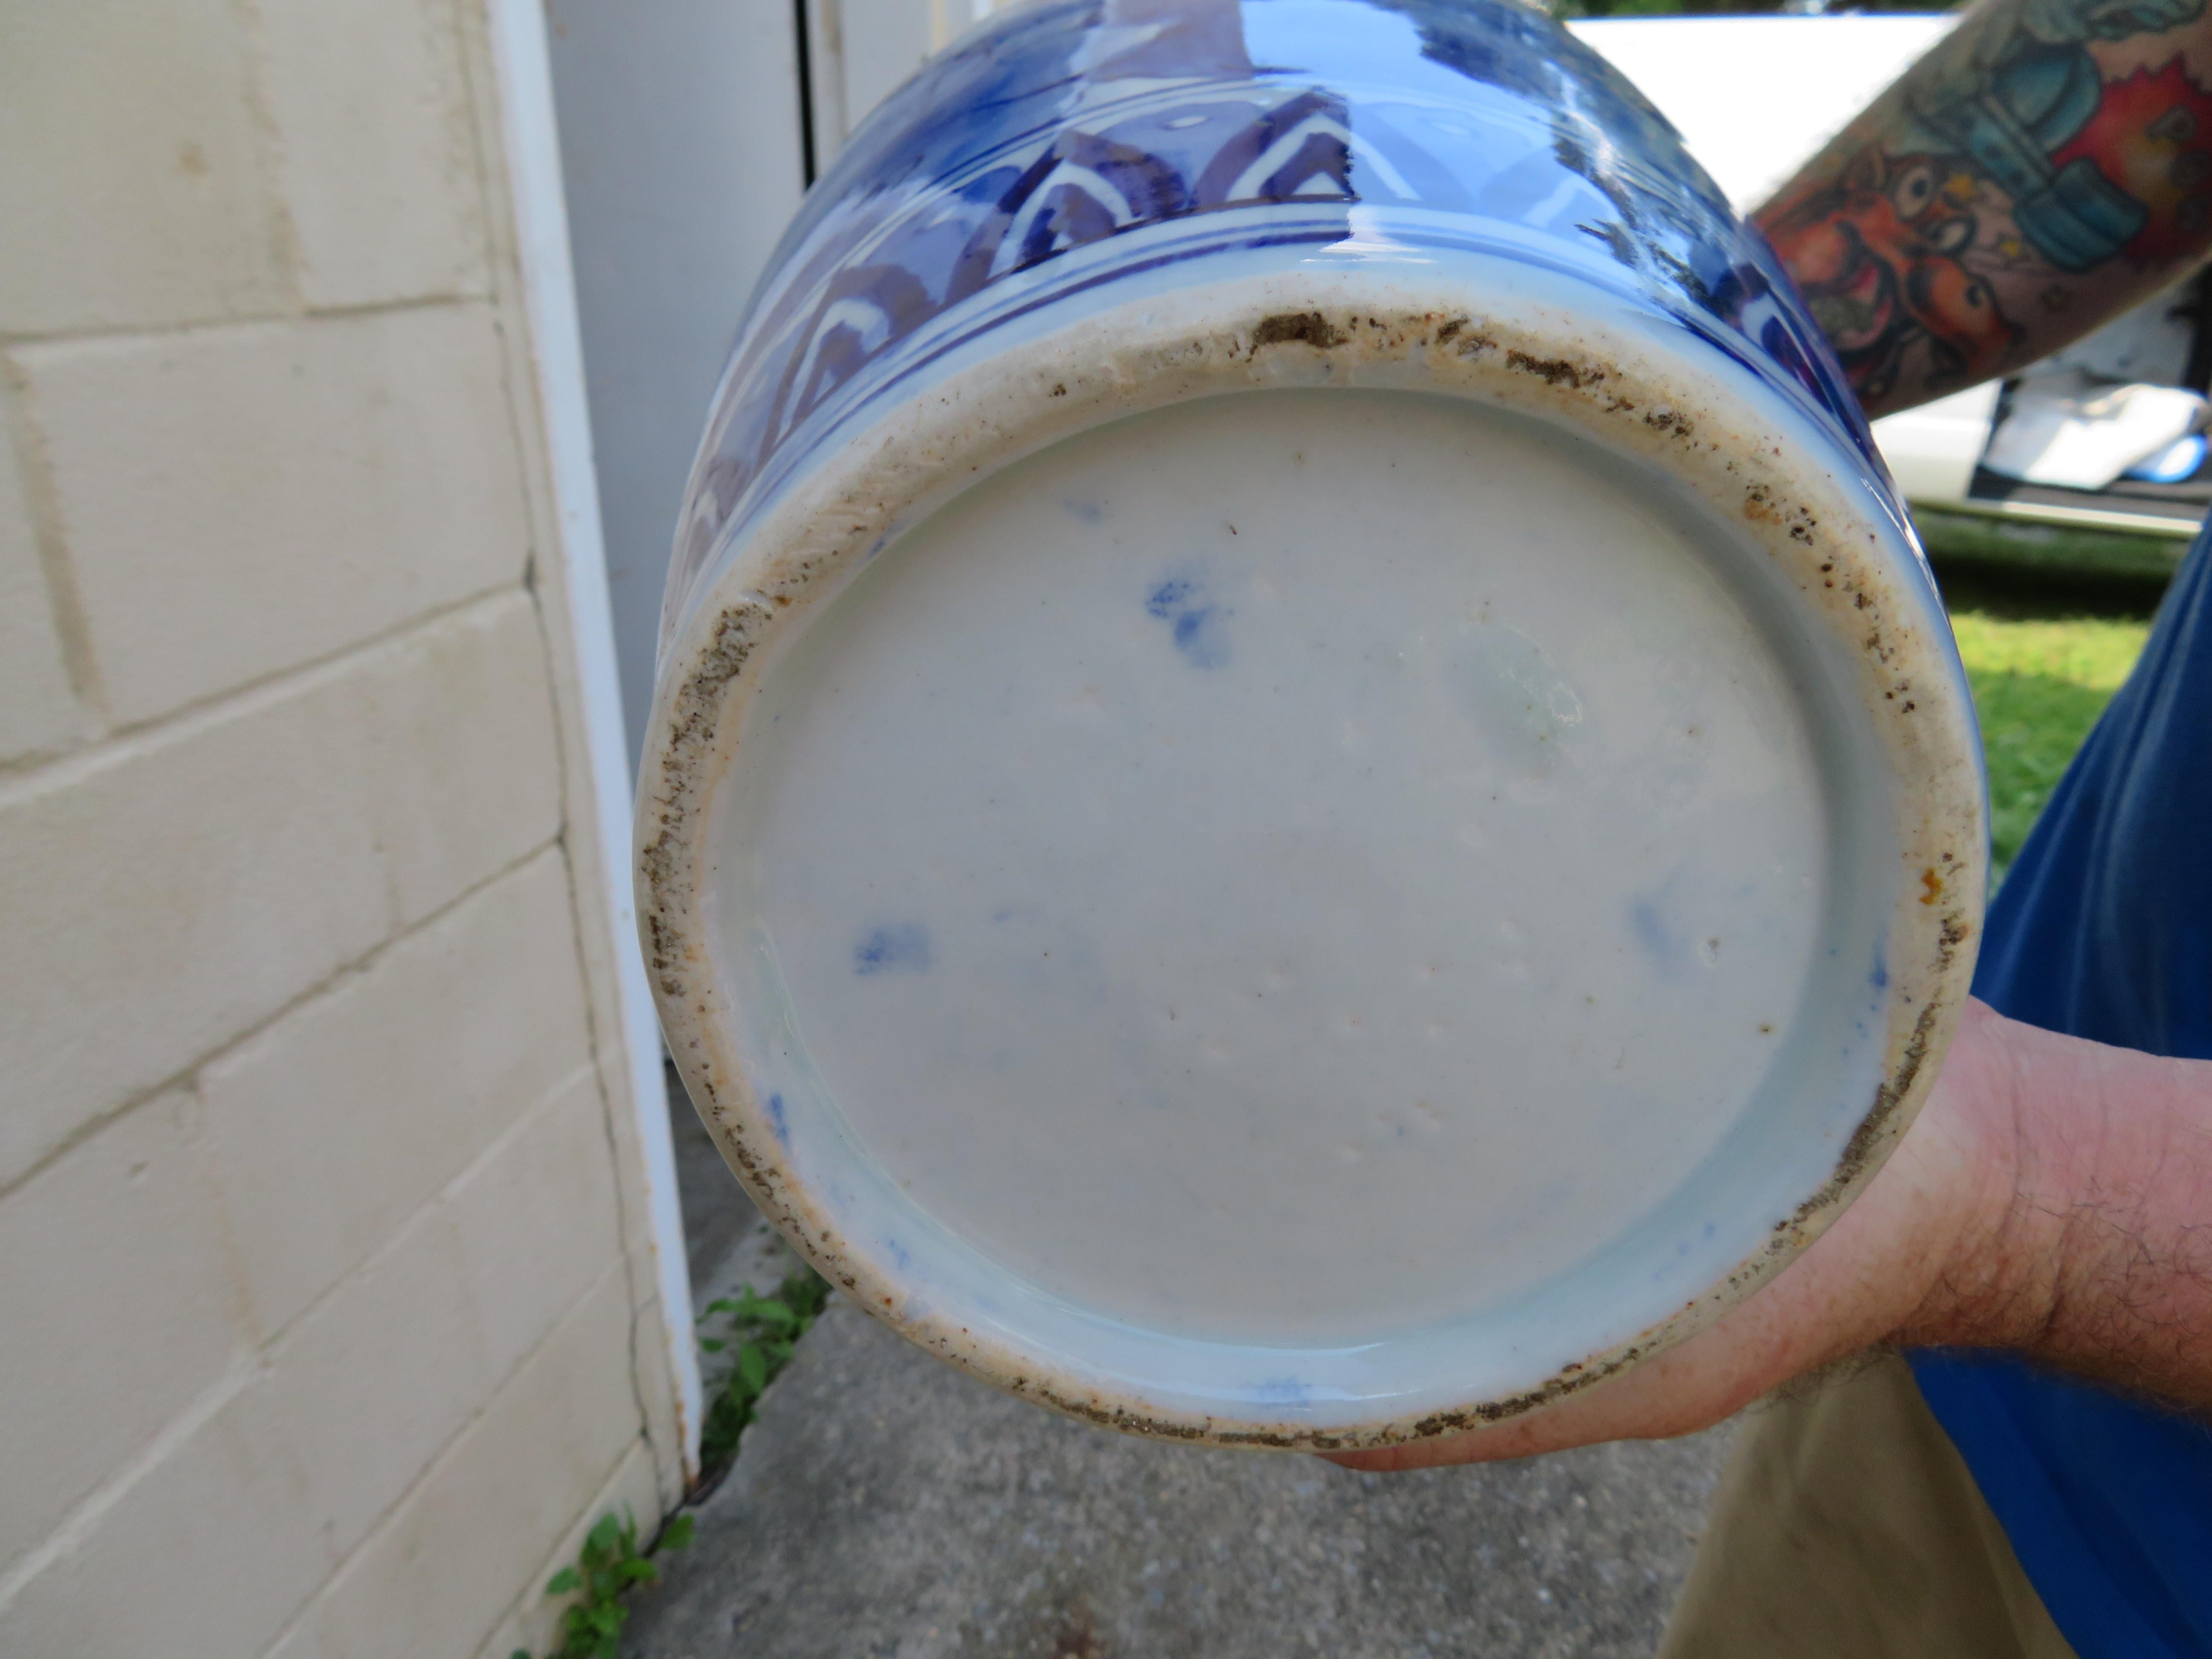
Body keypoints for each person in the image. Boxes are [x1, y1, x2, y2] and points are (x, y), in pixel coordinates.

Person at [1329, 1, 2212, 1653]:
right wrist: (1633, 381)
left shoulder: (1947, 1182)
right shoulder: (1874, 1125)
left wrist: (2025, 1207)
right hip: (1970, 1329)